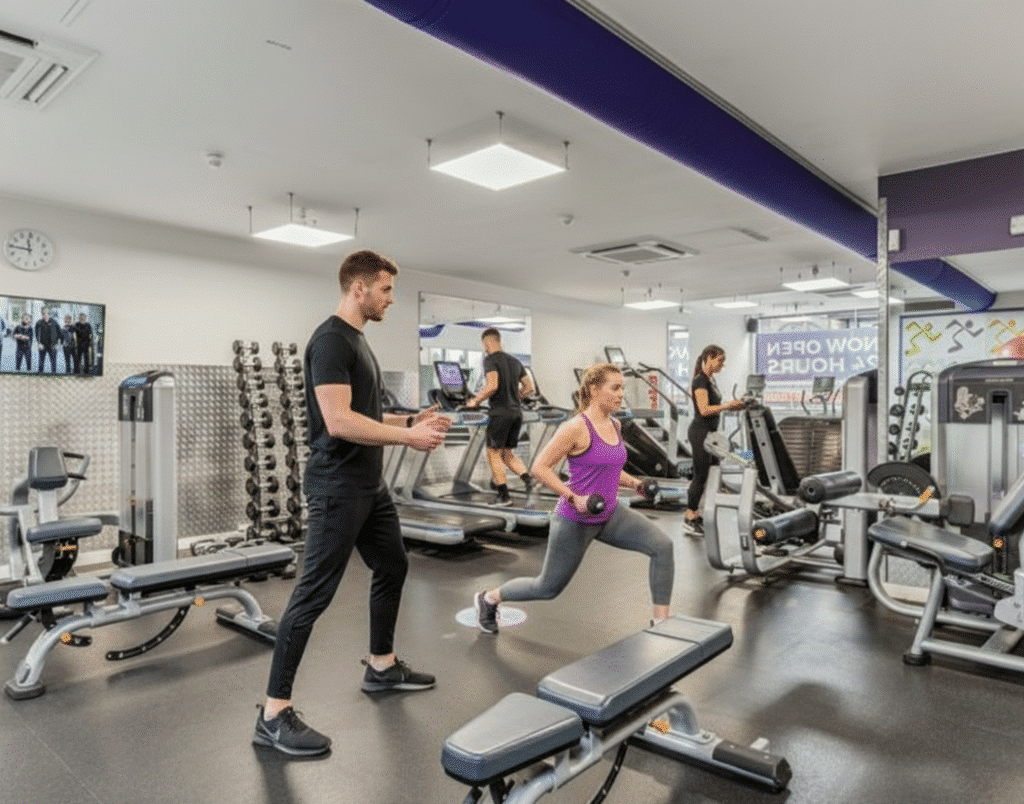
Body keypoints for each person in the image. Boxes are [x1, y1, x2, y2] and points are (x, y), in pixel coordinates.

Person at [254, 249, 451, 758]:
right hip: (338, 487)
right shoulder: (330, 341)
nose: (391, 299)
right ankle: (274, 714)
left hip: (369, 485)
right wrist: (406, 440)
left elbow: (365, 414)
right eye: (385, 290)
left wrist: (411, 423)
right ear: (358, 288)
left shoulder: (358, 341)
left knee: (393, 564)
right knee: (312, 595)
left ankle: (381, 666)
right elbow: (339, 422)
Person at [474, 363, 675, 634]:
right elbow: (540, 468)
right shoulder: (575, 427)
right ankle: (489, 598)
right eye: (615, 388)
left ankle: (661, 623)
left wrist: (636, 484)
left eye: (622, 389)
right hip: (575, 519)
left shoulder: (614, 424)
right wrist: (573, 497)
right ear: (594, 390)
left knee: (662, 546)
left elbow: (611, 468)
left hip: (608, 513)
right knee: (547, 588)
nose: (620, 395)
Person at [465, 328, 534, 506]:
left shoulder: (490, 360)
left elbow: (492, 386)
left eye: (484, 345)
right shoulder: (515, 361)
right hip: (516, 412)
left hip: (500, 413)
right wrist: (515, 398)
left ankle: (504, 496)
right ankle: (528, 480)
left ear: (487, 342)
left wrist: (475, 401)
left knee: (493, 453)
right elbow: (529, 388)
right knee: (507, 453)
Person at [684, 345, 745, 535]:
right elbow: (704, 410)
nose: (722, 365)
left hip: (711, 434)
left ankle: (701, 511)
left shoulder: (711, 380)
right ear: (709, 358)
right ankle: (689, 515)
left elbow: (716, 406)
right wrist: (727, 405)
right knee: (701, 475)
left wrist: (734, 406)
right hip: (700, 433)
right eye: (720, 361)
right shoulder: (700, 380)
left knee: (714, 472)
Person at [34, 307, 61, 374]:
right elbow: (37, 335)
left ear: (49, 314)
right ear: (42, 314)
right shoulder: (39, 323)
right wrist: (38, 343)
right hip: (42, 345)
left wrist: (58, 344)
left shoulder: (54, 322)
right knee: (41, 361)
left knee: (53, 361)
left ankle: (53, 374)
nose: (45, 314)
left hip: (52, 345)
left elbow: (59, 333)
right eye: (44, 313)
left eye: (47, 313)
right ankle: (40, 373)